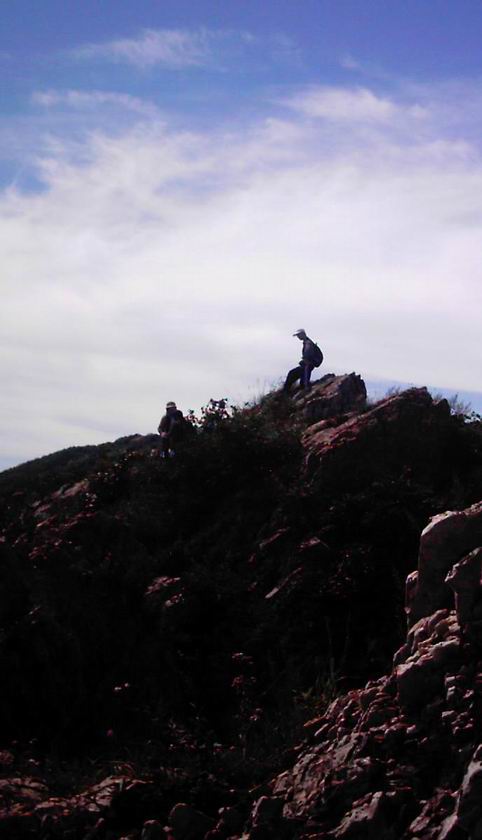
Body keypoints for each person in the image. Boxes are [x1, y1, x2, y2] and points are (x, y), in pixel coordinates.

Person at [283, 329, 322, 393]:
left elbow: (308, 354)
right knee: (299, 379)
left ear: (303, 334)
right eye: (297, 335)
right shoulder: (307, 342)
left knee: (292, 374)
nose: (298, 337)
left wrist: (304, 360)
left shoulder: (308, 343)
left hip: (308, 364)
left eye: (299, 335)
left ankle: (286, 392)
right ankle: (288, 391)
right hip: (309, 364)